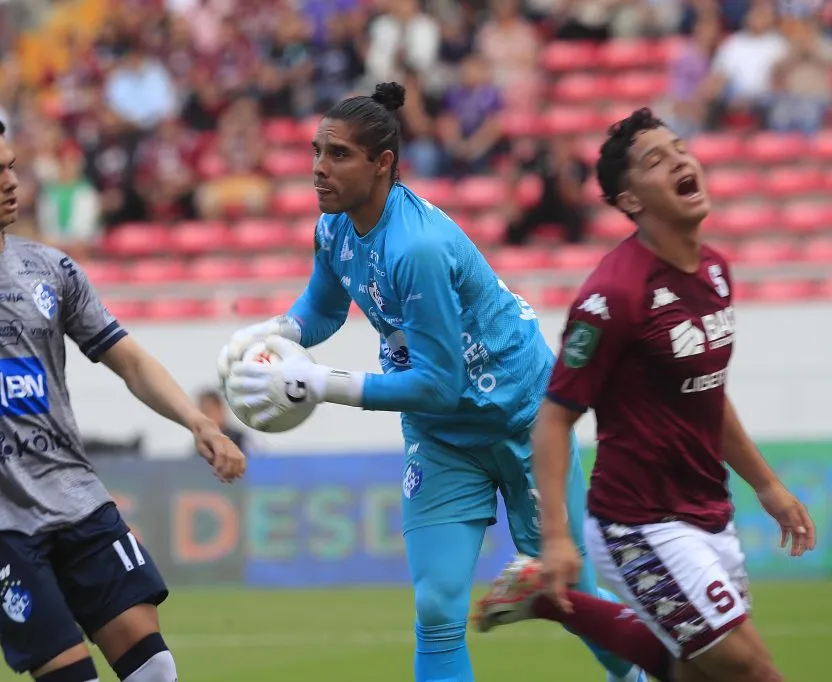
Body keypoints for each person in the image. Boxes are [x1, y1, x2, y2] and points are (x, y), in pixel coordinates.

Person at [217, 83, 645, 682]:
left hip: (524, 417)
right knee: (438, 607)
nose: (319, 169)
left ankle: (638, 675)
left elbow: (439, 382)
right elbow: (325, 306)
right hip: (442, 435)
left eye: (338, 155)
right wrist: (275, 332)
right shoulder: (335, 226)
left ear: (383, 164)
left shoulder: (415, 246)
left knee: (572, 593)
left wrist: (321, 382)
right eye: (317, 151)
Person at [0, 111, 246, 682]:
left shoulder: (52, 268)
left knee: (154, 668)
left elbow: (127, 357)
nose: (12, 182)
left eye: (11, 167)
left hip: (78, 497)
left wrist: (195, 421)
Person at [473, 108, 816, 682]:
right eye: (656, 160)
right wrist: (557, 538)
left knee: (694, 673)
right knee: (753, 670)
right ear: (631, 200)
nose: (681, 159)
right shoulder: (612, 295)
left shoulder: (715, 272)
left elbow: (707, 395)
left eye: (680, 147)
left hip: (709, 509)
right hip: (639, 523)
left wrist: (768, 485)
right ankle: (554, 591)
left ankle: (548, 600)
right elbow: (554, 421)